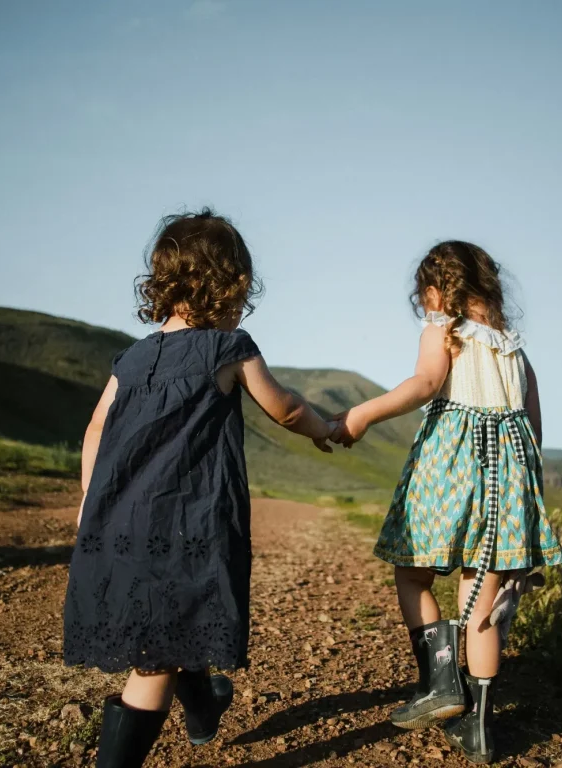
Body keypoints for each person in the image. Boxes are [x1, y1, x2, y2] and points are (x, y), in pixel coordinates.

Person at [63, 209, 336, 768]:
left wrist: (92, 506)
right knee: (155, 659)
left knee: (171, 623)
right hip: (188, 523)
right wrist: (327, 428)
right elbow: (284, 409)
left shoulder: (132, 358)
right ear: (229, 283)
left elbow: (94, 430)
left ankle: (205, 705)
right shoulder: (228, 348)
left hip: (118, 521)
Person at [332, 241, 562, 764]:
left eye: (425, 297)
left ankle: (440, 681)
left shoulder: (444, 330)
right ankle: (479, 729)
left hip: (451, 467)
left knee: (412, 571)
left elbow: (426, 383)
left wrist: (361, 415)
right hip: (509, 477)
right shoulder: (514, 348)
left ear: (438, 292)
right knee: (481, 601)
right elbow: (535, 429)